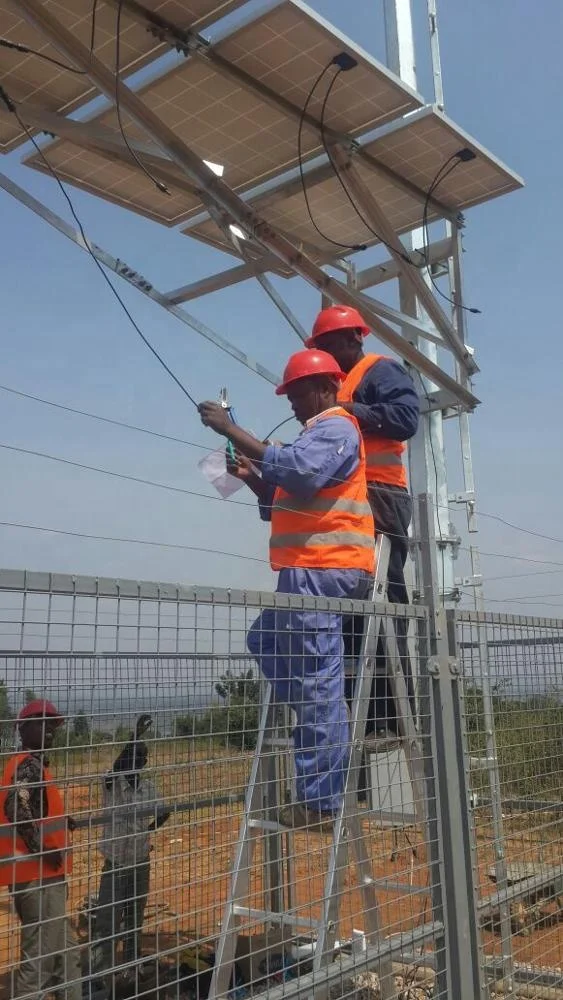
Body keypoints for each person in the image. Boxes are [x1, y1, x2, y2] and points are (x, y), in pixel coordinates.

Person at [198, 349, 375, 832]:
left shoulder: (336, 427)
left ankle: (320, 803)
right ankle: (321, 720)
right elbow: (284, 493)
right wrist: (251, 476)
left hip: (324, 569)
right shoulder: (314, 435)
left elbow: (299, 472)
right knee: (267, 643)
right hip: (305, 571)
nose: (293, 404)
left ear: (324, 388)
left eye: (296, 395)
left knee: (317, 680)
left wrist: (230, 430)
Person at [306, 305, 420, 739]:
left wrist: (349, 408)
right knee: (356, 604)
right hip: (353, 499)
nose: (325, 353)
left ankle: (393, 714)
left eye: (328, 344)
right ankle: (364, 712)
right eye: (319, 347)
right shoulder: (340, 385)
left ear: (355, 338)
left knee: (384, 599)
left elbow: (406, 419)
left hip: (380, 495)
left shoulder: (379, 371)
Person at [0, 699, 82, 1000]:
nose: (49, 730)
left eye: (53, 724)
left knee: (67, 955)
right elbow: (16, 809)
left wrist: (62, 819)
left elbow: (30, 808)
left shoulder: (29, 764)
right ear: (23, 729)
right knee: (39, 965)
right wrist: (43, 851)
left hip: (37, 878)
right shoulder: (29, 765)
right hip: (39, 879)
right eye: (40, 723)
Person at [91, 714, 170, 984]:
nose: (135, 762)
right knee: (107, 920)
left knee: (134, 919)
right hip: (115, 863)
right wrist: (135, 735)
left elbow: (165, 810)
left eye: (141, 758)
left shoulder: (148, 789)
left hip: (139, 861)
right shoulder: (112, 785)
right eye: (132, 757)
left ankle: (132, 968)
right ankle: (98, 976)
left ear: (144, 763)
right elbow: (115, 767)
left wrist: (149, 831)